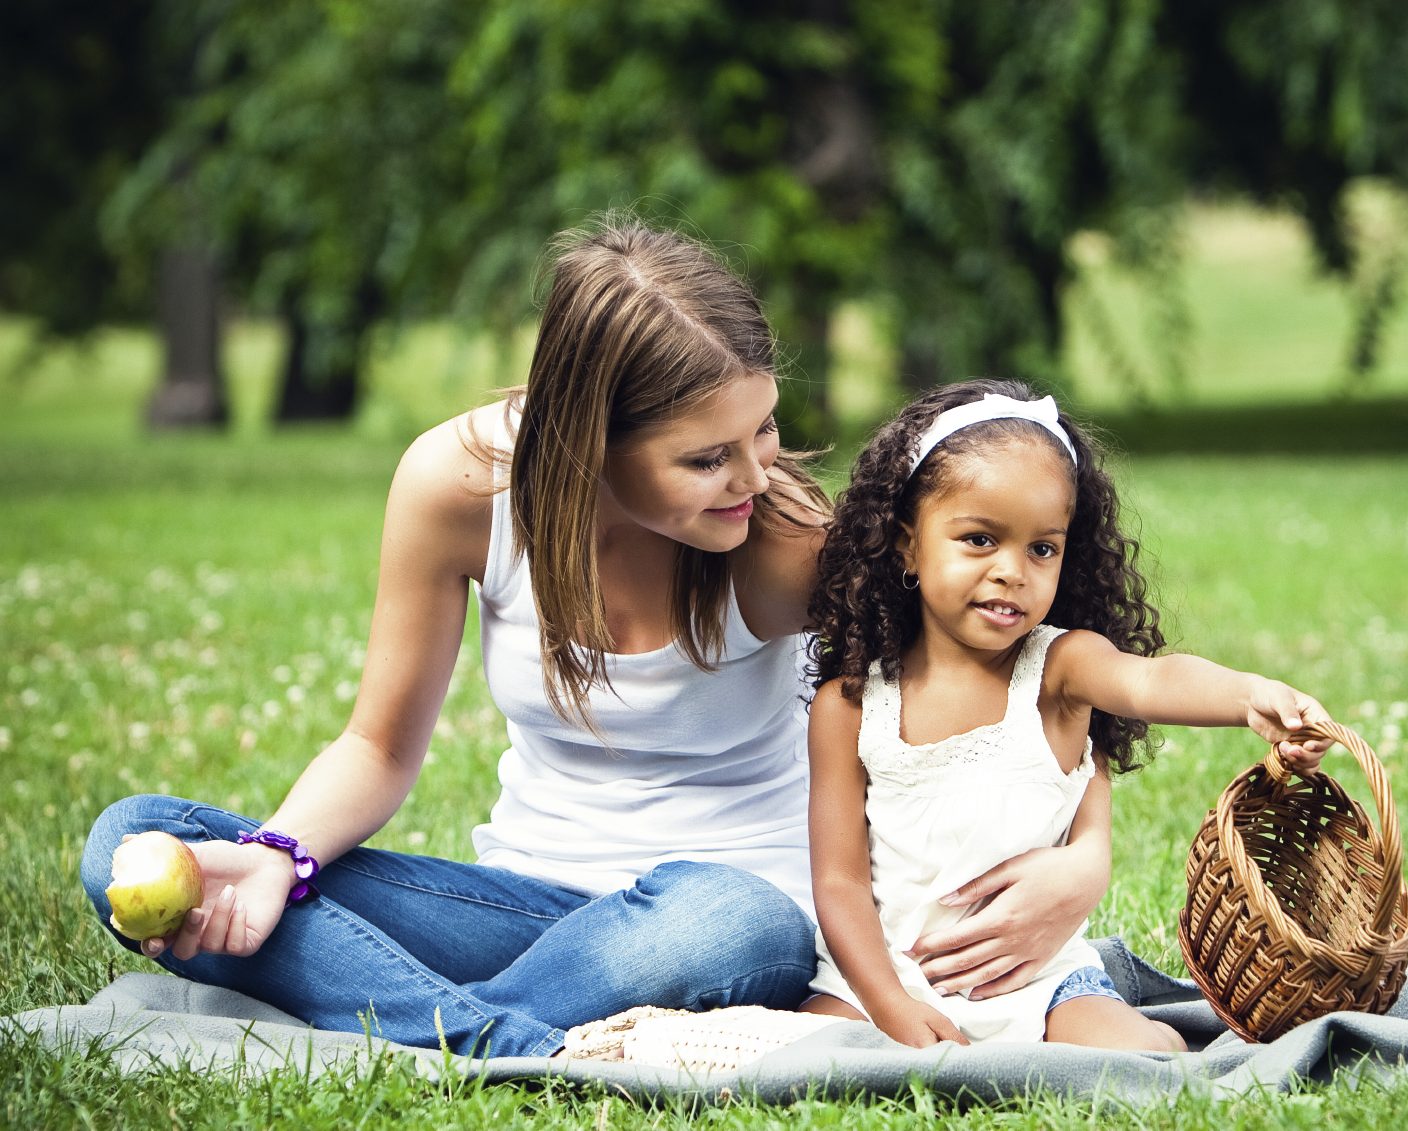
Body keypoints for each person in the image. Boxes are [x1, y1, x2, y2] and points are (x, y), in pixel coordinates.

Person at [79, 222, 839, 1059]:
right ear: (589, 441)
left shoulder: (787, 542)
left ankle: (410, 1022)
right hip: (517, 912)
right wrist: (276, 857)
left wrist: (1011, 885)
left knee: (734, 921)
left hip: (717, 920)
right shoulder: (461, 487)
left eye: (763, 429)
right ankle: (495, 1035)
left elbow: (974, 704)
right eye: (706, 459)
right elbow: (376, 747)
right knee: (134, 837)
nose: (758, 476)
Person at [799, 378, 1336, 1049]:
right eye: (978, 539)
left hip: (1038, 982)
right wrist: (887, 1004)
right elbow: (840, 880)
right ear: (908, 544)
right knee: (797, 1056)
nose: (1011, 570)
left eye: (1041, 548)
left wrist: (1250, 695)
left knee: (1147, 1054)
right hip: (879, 979)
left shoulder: (1059, 668)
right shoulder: (851, 704)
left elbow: (1150, 680)